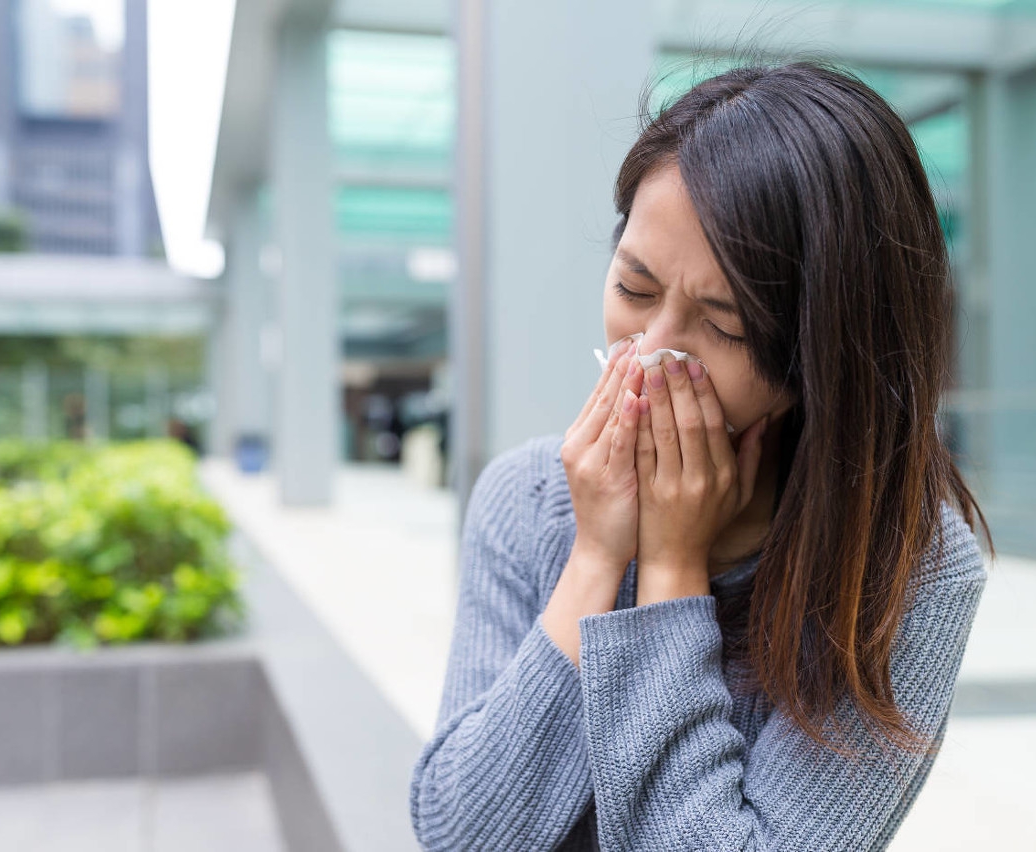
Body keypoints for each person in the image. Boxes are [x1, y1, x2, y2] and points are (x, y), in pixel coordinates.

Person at [409, 61, 993, 851]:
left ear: (820, 365)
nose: (648, 351)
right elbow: (459, 835)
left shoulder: (905, 568)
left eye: (724, 326)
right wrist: (595, 556)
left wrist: (672, 572)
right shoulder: (528, 497)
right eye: (635, 288)